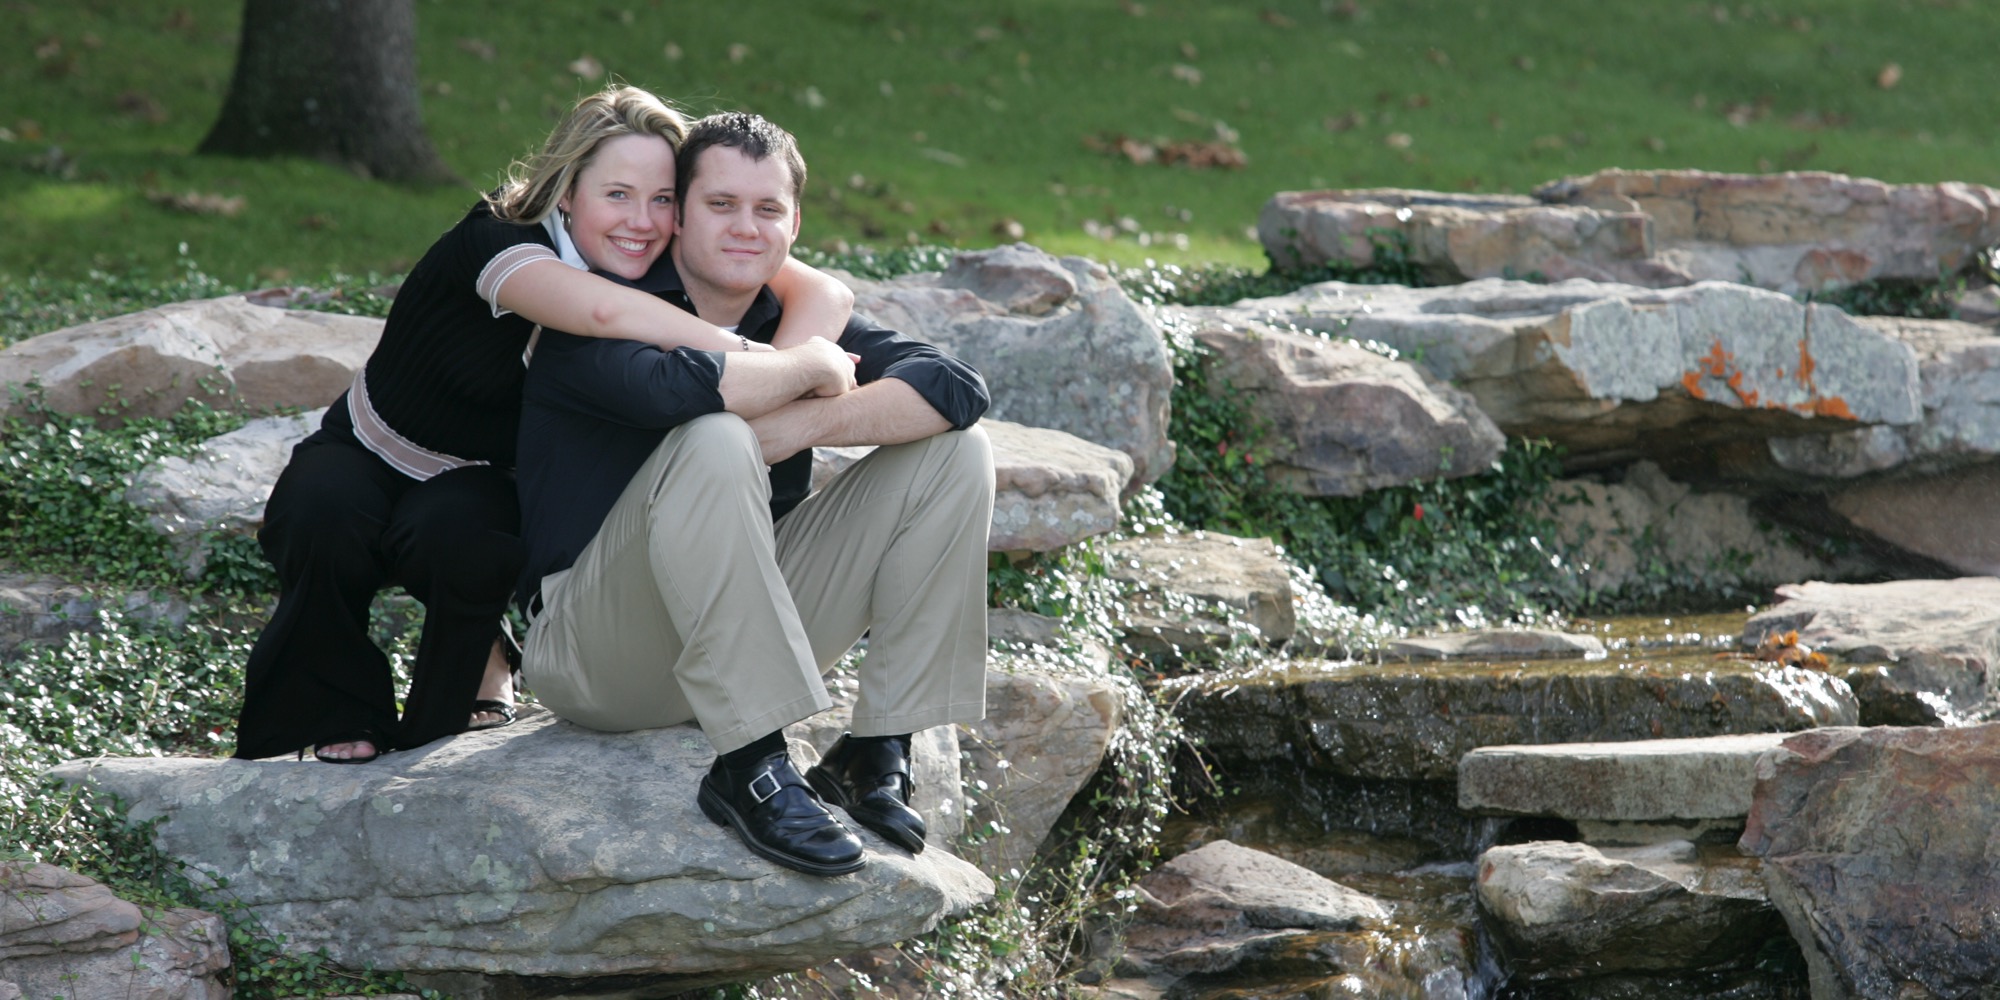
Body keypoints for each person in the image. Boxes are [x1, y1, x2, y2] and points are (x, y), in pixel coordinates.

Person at [231, 87, 855, 765]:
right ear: (565, 192)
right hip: (375, 445)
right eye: (616, 195)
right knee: (320, 513)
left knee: (466, 540)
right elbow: (605, 314)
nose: (641, 221)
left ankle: (456, 701)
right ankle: (334, 708)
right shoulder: (499, 239)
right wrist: (776, 363)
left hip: (487, 475)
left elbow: (821, 287)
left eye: (661, 199)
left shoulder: (653, 252)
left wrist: (797, 353)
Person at [515, 112, 993, 875]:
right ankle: (752, 767)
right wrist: (797, 381)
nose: (747, 227)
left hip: (735, 627)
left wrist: (801, 423)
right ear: (678, 215)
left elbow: (954, 387)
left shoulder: (789, 318)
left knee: (956, 453)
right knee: (714, 436)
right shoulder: (601, 313)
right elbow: (679, 396)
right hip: (598, 651)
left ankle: (874, 749)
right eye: (721, 204)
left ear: (794, 224)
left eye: (768, 208)